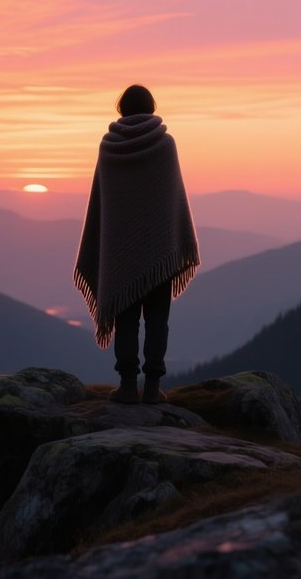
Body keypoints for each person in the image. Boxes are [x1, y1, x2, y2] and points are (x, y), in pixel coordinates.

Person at [74, 85, 200, 404]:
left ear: (121, 109)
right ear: (152, 107)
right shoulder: (165, 144)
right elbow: (173, 203)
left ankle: (128, 386)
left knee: (126, 320)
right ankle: (154, 389)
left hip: (120, 256)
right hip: (161, 254)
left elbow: (103, 208)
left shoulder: (109, 146)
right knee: (158, 319)